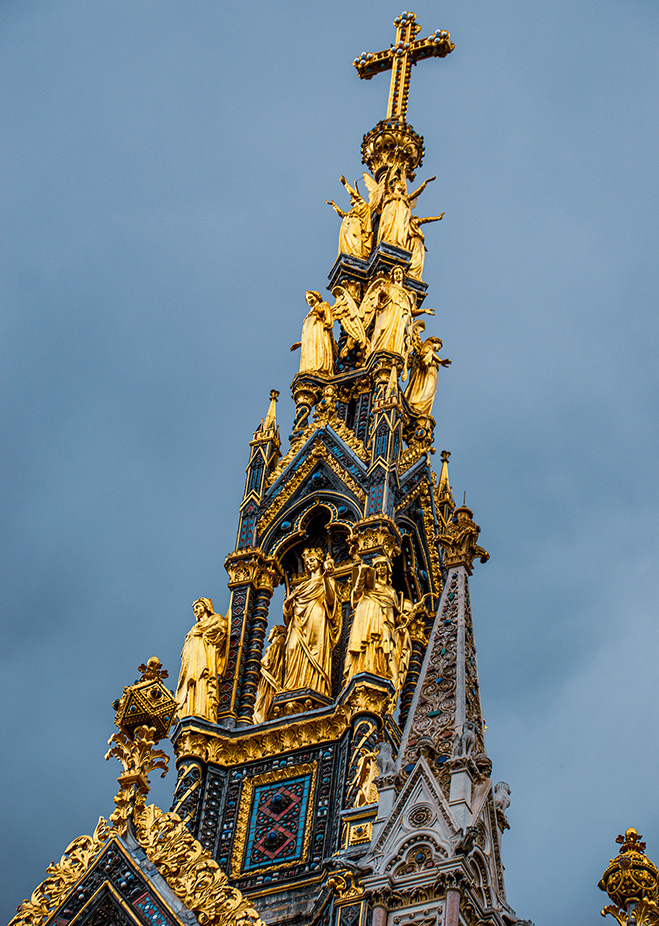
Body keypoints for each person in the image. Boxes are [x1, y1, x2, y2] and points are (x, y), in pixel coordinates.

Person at [282, 548, 340, 697]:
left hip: (317, 617)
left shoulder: (327, 581)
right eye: (307, 562)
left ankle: (315, 685)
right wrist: (288, 604)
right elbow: (288, 616)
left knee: (315, 651)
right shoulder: (301, 587)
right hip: (298, 622)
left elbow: (331, 601)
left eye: (312, 560)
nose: (309, 564)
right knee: (292, 648)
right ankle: (292, 685)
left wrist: (326, 576)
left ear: (320, 562)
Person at [344, 555, 400, 682]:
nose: (381, 568)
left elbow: (397, 613)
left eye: (383, 565)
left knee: (381, 643)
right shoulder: (370, 585)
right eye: (377, 566)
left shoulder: (391, 591)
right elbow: (357, 593)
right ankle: (362, 668)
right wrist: (362, 574)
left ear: (388, 568)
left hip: (383, 618)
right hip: (367, 615)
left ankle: (378, 671)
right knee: (366, 641)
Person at [175, 598, 230, 722]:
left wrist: (205, 634)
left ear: (206, 607)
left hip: (205, 656)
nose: (196, 610)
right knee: (191, 682)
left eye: (198, 607)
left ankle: (203, 711)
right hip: (191, 660)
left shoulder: (216, 619)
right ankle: (190, 711)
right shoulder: (194, 628)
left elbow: (221, 629)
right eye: (194, 609)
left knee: (202, 679)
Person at [377, 171, 435, 249]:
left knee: (399, 229)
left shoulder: (406, 198)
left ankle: (398, 243)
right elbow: (386, 182)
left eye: (402, 185)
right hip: (390, 212)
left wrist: (425, 183)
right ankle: (387, 240)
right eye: (399, 184)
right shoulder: (389, 194)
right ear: (394, 186)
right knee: (388, 226)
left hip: (401, 215)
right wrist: (390, 170)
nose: (401, 186)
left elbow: (417, 192)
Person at [326, 176, 372, 259]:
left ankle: (356, 253)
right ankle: (351, 253)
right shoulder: (353, 210)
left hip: (355, 223)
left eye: (352, 197)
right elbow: (343, 214)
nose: (351, 199)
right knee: (346, 239)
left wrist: (345, 184)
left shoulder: (362, 204)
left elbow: (353, 193)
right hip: (347, 223)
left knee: (350, 235)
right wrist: (334, 205)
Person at [290, 291, 334, 375]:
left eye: (310, 297)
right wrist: (301, 343)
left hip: (320, 333)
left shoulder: (323, 305)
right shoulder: (309, 313)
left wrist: (322, 327)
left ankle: (320, 369)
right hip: (311, 337)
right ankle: (311, 369)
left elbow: (328, 320)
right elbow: (308, 334)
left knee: (319, 351)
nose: (309, 301)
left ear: (317, 296)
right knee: (311, 353)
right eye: (307, 300)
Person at [253, 625, 286, 724]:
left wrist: (256, 665)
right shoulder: (278, 642)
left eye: (270, 631)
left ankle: (261, 717)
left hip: (270, 677)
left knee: (264, 699)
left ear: (276, 631)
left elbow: (270, 663)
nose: (268, 636)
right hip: (267, 677)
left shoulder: (279, 641)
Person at [407, 213, 444, 280]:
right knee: (417, 258)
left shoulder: (407, 226)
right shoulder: (413, 222)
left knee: (418, 258)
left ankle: (414, 273)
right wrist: (437, 218)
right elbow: (426, 219)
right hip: (416, 241)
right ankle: (412, 272)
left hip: (416, 241)